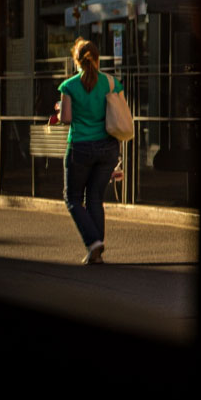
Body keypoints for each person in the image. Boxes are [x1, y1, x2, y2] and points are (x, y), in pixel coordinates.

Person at [49, 38, 123, 265]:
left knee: (72, 198)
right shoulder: (111, 83)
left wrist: (59, 113)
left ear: (76, 60)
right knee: (95, 199)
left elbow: (67, 119)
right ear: (97, 58)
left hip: (80, 147)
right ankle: (96, 251)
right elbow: (117, 113)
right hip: (108, 147)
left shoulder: (69, 86)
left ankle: (93, 242)